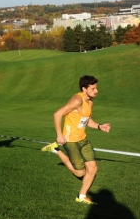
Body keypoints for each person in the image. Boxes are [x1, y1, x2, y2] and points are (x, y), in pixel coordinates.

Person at [41, 75, 111, 205]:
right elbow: (57, 114)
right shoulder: (77, 101)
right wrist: (59, 135)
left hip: (83, 139)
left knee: (93, 168)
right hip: (70, 140)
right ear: (84, 89)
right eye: (93, 88)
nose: (96, 91)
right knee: (80, 173)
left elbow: (87, 121)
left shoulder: (90, 102)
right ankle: (55, 149)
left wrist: (100, 126)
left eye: (96, 88)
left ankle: (81, 196)